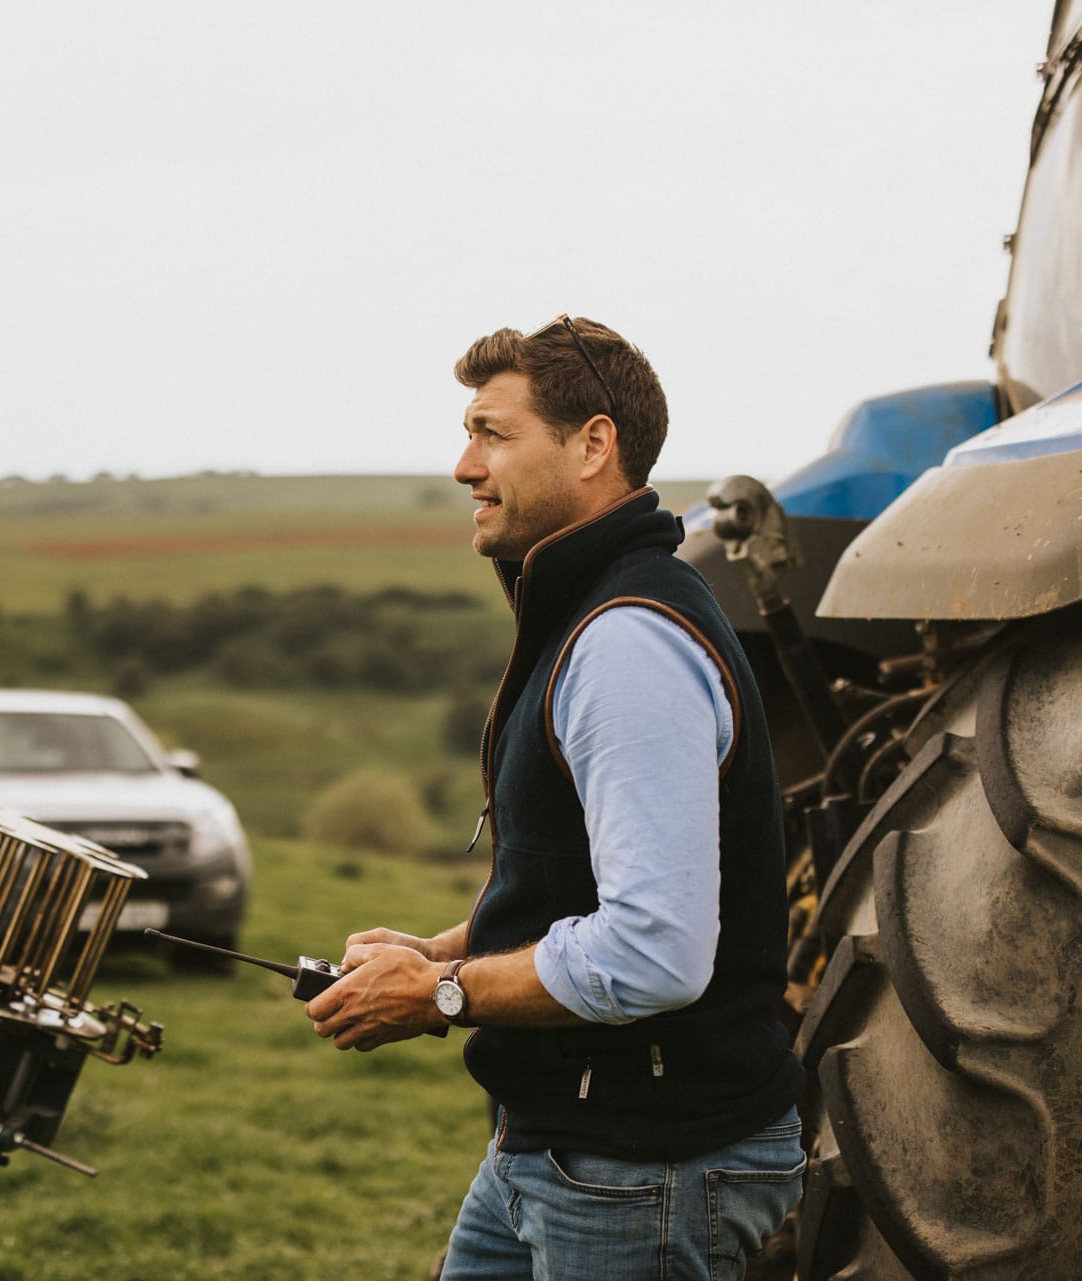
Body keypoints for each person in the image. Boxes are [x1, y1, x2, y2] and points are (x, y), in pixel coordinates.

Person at [304, 317, 805, 1280]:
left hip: (648, 1168)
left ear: (593, 444)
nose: (463, 464)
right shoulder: (591, 610)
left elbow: (654, 951)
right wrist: (438, 949)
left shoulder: (627, 641)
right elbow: (575, 881)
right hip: (556, 1142)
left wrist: (442, 993)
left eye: (493, 432)